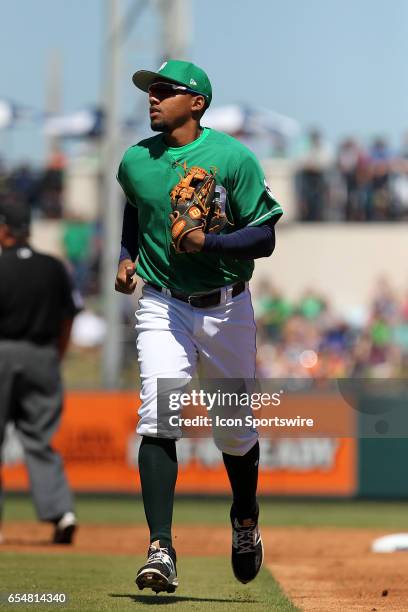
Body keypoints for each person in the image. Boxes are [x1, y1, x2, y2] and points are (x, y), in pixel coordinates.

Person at [115, 60, 283, 594]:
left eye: (165, 90)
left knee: (234, 433)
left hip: (227, 306)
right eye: (150, 89)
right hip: (164, 302)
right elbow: (137, 208)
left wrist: (208, 243)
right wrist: (127, 254)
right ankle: (160, 547)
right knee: (158, 411)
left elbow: (264, 237)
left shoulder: (233, 158)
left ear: (197, 103)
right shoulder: (136, 159)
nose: (153, 97)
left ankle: (245, 518)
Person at [0, 200, 80, 544]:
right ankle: (62, 513)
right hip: (43, 354)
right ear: (27, 230)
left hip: (2, 351)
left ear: (4, 230)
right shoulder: (53, 267)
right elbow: (68, 317)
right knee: (39, 439)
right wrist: (55, 355)